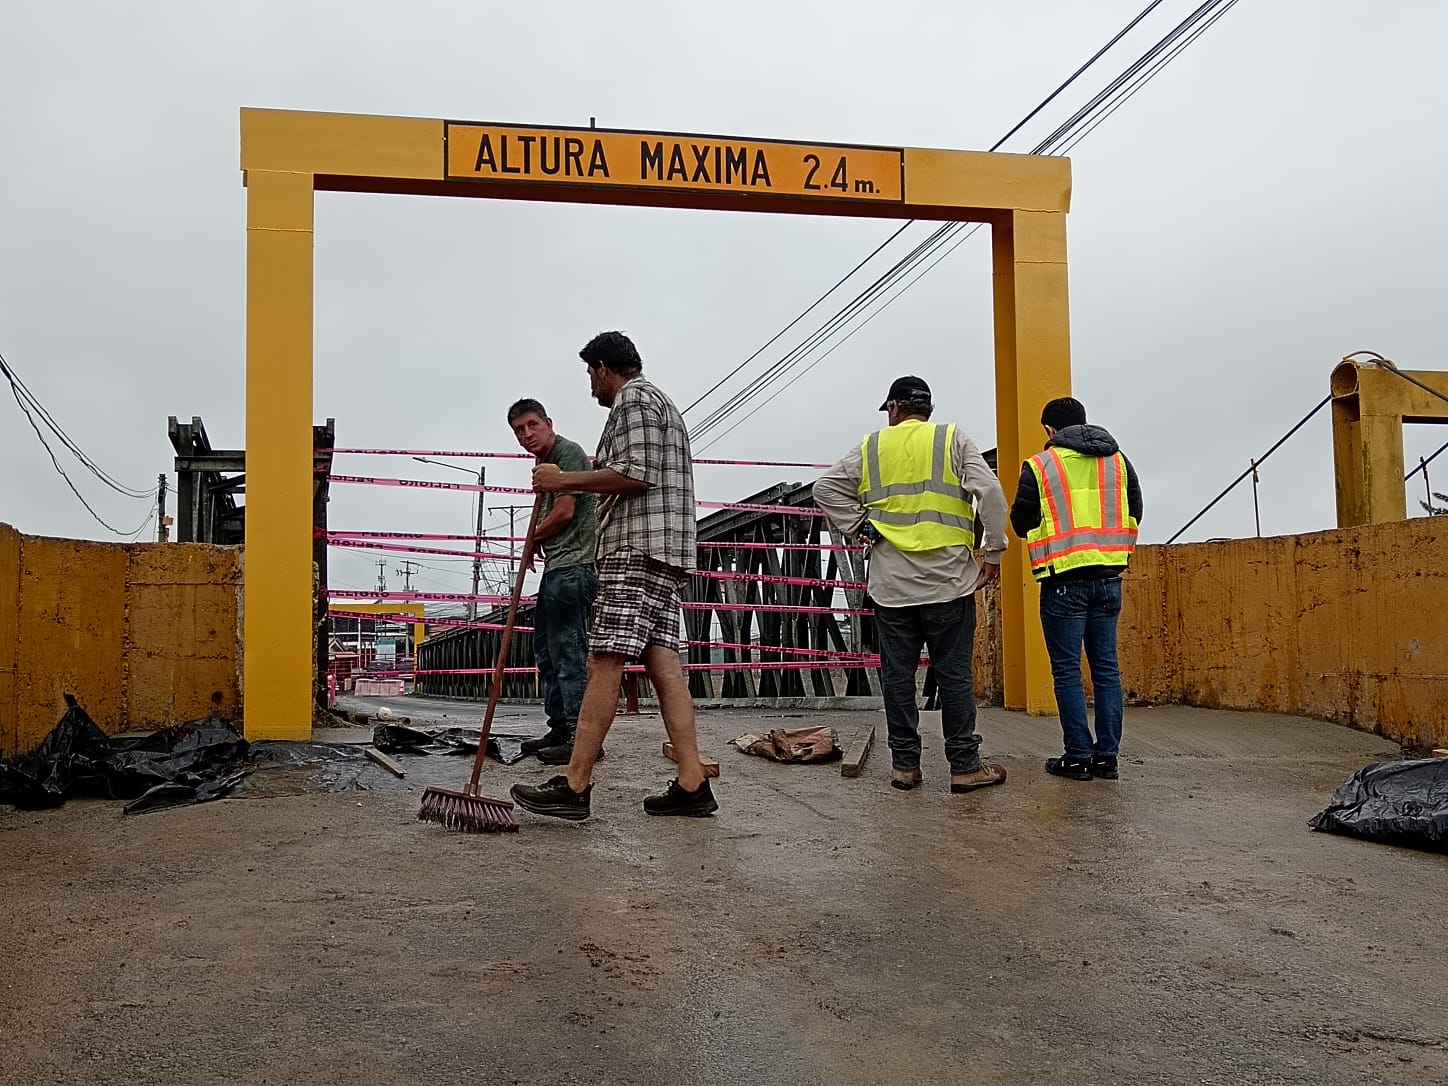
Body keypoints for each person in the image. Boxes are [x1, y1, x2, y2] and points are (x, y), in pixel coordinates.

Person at [510, 331, 716, 821]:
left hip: (636, 547)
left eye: (589, 374)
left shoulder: (635, 400)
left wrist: (564, 480)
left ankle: (575, 786)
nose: (590, 386)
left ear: (604, 368)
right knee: (664, 665)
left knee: (604, 657)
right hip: (666, 551)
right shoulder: (661, 404)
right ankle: (692, 783)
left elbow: (635, 473)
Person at [815, 375, 1010, 794]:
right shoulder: (952, 440)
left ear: (894, 409)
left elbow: (825, 488)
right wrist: (993, 553)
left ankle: (905, 766)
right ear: (928, 409)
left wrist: (860, 525)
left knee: (898, 677)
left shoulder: (872, 448)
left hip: (892, 586)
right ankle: (964, 766)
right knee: (954, 676)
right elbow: (990, 492)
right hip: (949, 582)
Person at [1010, 396, 1143, 782]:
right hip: (1108, 579)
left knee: (1067, 671)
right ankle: (1107, 758)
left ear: (1051, 430)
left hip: (1063, 583)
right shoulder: (1118, 462)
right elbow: (1135, 509)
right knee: (1106, 669)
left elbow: (1021, 521)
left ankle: (1078, 756)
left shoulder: (1041, 465)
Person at [507, 399, 598, 765]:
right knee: (545, 651)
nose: (526, 435)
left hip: (575, 566)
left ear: (548, 422)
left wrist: (532, 540)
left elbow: (564, 512)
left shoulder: (568, 454)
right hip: (557, 568)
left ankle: (580, 736)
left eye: (531, 425)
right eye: (518, 431)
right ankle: (559, 727)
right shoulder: (541, 465)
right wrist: (537, 544)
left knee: (568, 652)